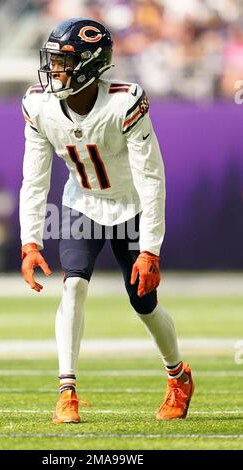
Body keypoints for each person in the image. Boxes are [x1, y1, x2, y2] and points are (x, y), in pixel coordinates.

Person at [19, 17, 194, 424]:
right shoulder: (39, 105)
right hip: (82, 204)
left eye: (63, 62)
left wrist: (150, 250)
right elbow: (35, 177)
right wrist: (30, 241)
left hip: (130, 206)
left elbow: (152, 179)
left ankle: (179, 377)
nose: (54, 70)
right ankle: (67, 392)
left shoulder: (124, 101)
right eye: (53, 61)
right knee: (74, 286)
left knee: (144, 304)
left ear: (89, 65)